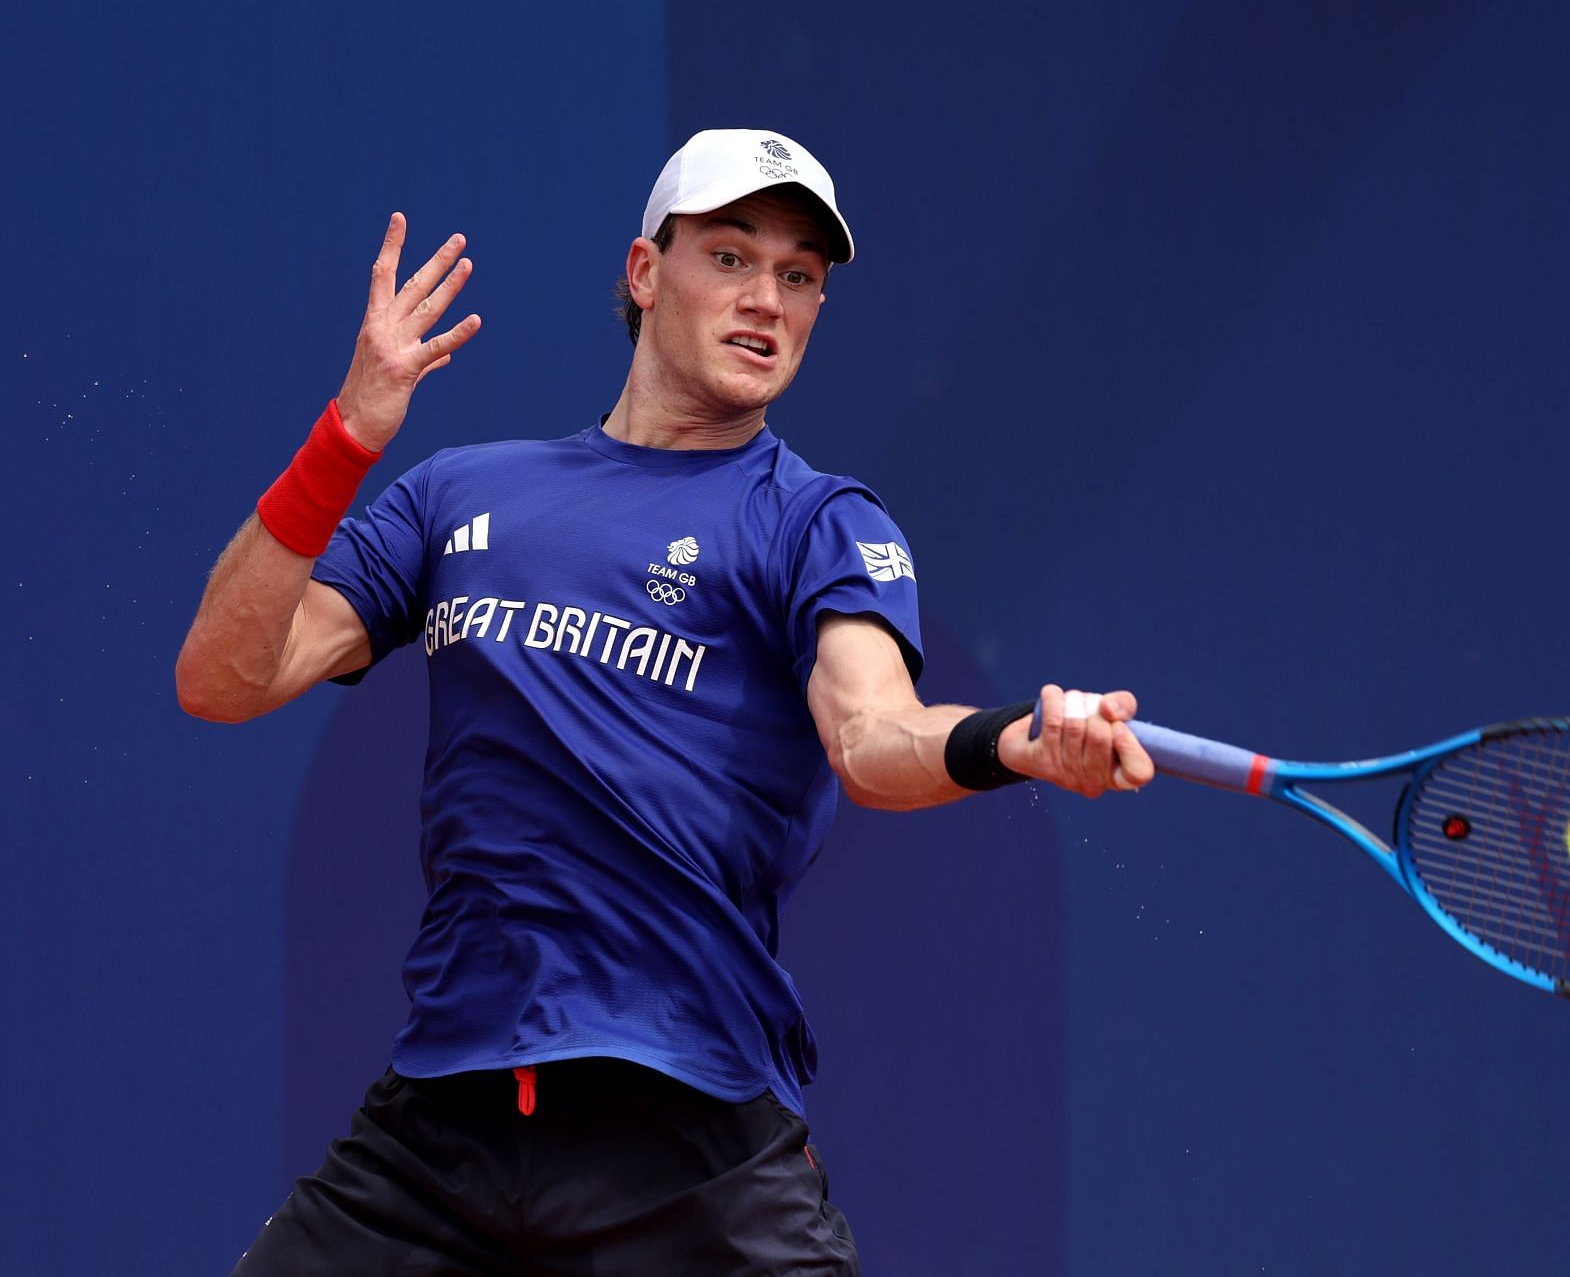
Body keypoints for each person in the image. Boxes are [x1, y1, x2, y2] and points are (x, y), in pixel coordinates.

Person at [176, 128, 1153, 1275]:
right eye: (731, 257)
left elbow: (874, 736)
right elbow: (224, 678)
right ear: (646, 273)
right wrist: (345, 440)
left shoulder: (819, 520)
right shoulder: (457, 496)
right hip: (440, 1128)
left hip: (692, 1134)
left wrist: (1018, 743)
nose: (768, 299)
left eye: (800, 276)